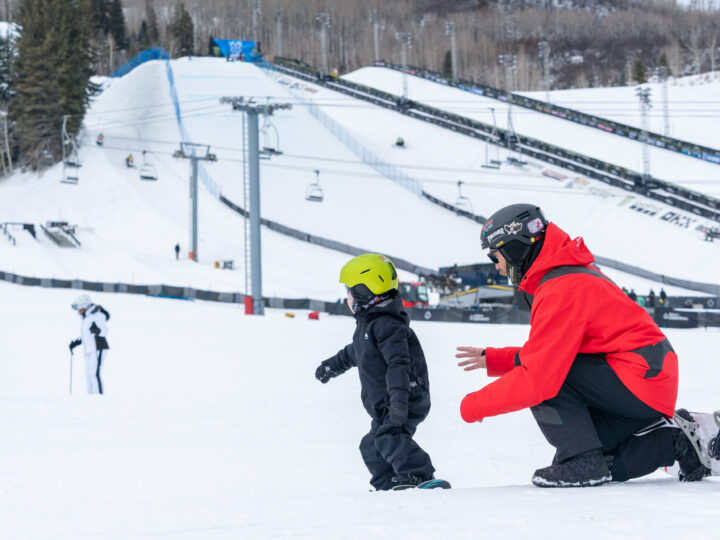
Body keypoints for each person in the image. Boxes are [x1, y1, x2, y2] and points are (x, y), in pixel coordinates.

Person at [456, 203, 719, 487]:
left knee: (558, 399)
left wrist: (474, 405)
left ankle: (583, 460)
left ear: (514, 247)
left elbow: (540, 375)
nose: (496, 266)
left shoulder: (562, 286)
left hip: (640, 376)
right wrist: (498, 360)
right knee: (602, 459)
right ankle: (676, 443)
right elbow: (550, 351)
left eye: (495, 256)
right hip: (645, 379)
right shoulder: (562, 277)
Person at [315, 253, 450, 491]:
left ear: (362, 291)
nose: (346, 297)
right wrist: (331, 366)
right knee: (371, 445)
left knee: (388, 436)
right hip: (387, 402)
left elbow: (399, 364)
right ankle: (388, 483)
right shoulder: (369, 326)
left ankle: (420, 476)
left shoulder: (389, 326)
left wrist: (399, 402)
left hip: (405, 398)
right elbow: (354, 353)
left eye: (349, 291)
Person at [69, 294, 110, 395]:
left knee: (94, 374)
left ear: (86, 306)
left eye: (80, 308)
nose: (78, 311)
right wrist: (77, 342)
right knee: (88, 374)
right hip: (88, 349)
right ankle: (90, 397)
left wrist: (97, 330)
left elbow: (104, 331)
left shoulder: (97, 315)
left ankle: (99, 397)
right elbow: (87, 335)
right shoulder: (85, 318)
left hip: (98, 347)